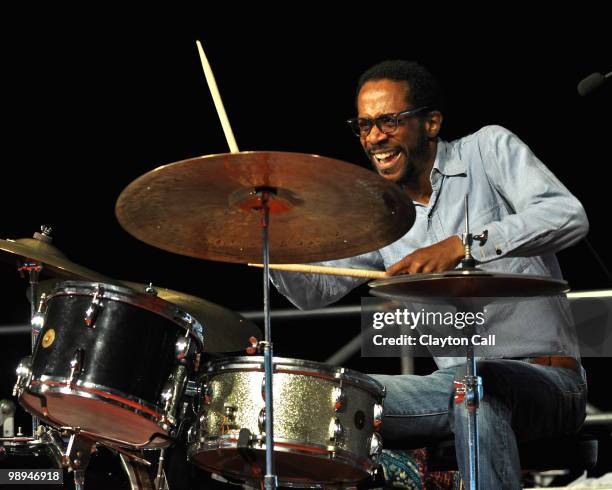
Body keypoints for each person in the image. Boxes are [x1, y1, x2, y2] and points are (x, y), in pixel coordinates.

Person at [270, 60, 588, 489]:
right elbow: (313, 292)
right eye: (363, 125)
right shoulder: (381, 215)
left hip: (550, 381)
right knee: (329, 403)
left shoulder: (488, 150)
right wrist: (271, 237)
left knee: (479, 386)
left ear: (431, 122)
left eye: (388, 121)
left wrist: (463, 245)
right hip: (449, 385)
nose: (374, 137)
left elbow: (567, 215)